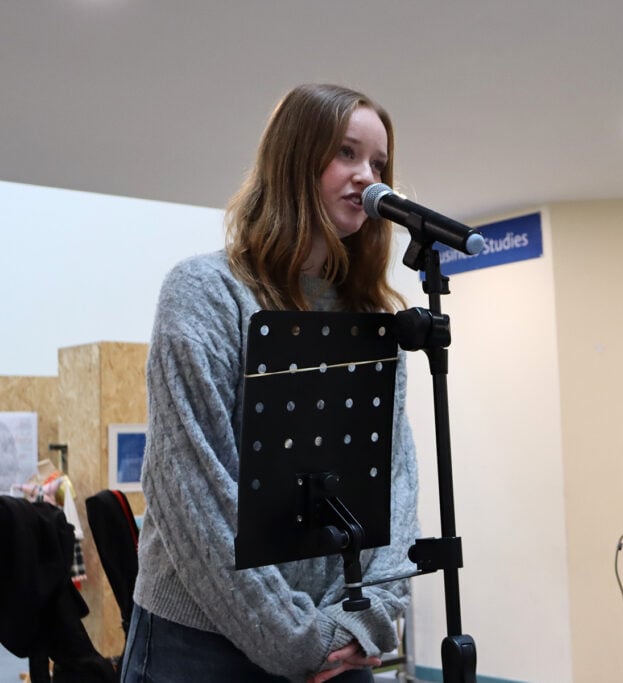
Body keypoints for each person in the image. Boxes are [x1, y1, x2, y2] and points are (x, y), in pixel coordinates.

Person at [120, 84, 419, 683]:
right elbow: (190, 492)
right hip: (201, 645)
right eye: (346, 153)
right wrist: (295, 639)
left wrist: (373, 614)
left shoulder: (371, 315)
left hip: (339, 639)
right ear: (293, 161)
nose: (368, 177)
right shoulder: (204, 292)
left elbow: (396, 481)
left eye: (379, 163)